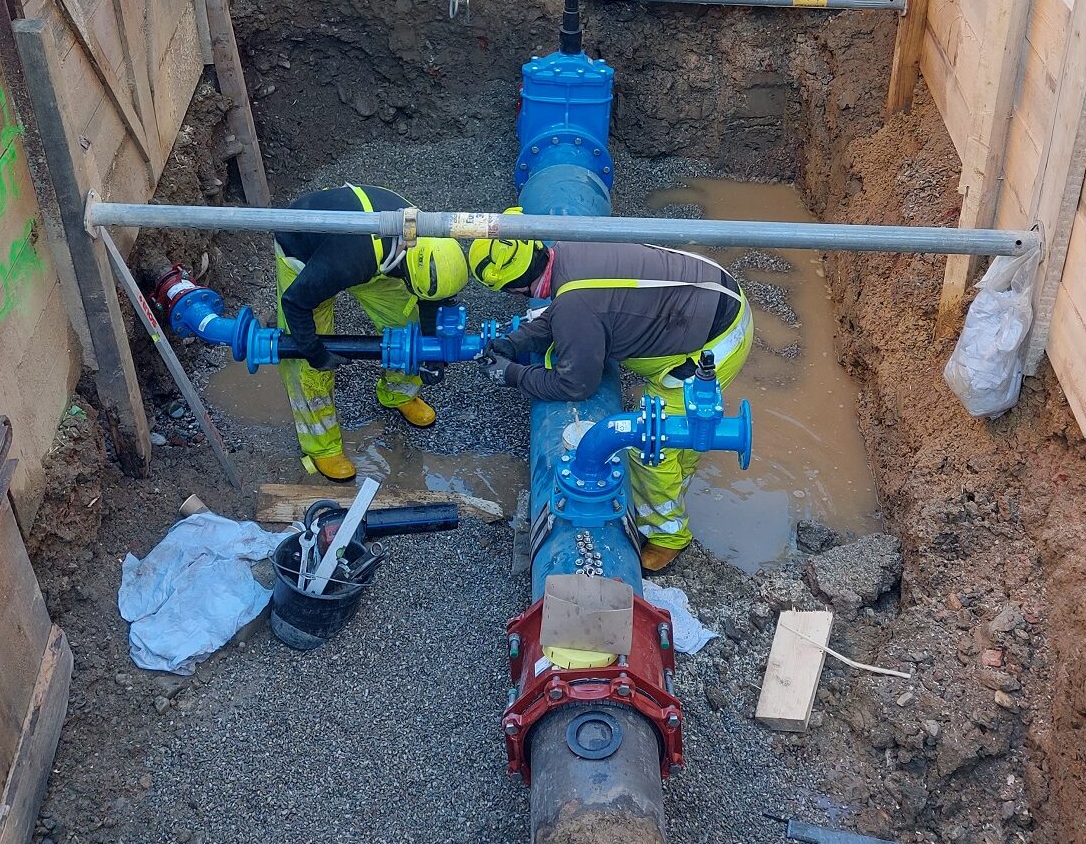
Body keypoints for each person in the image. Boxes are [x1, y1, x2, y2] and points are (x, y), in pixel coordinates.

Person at [470, 229, 753, 572]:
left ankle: (669, 536)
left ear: (514, 287)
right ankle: (676, 481)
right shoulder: (567, 251)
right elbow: (566, 311)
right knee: (676, 443)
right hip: (717, 297)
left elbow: (575, 385)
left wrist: (512, 374)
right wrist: (516, 343)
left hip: (712, 347)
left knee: (651, 445)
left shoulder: (576, 304)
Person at [274, 184, 468, 481]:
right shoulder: (345, 262)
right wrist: (314, 351)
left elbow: (430, 301)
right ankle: (321, 446)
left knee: (408, 332)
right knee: (302, 361)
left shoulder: (428, 239)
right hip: (306, 252)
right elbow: (295, 303)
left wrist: (430, 353)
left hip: (373, 252)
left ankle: (398, 394)